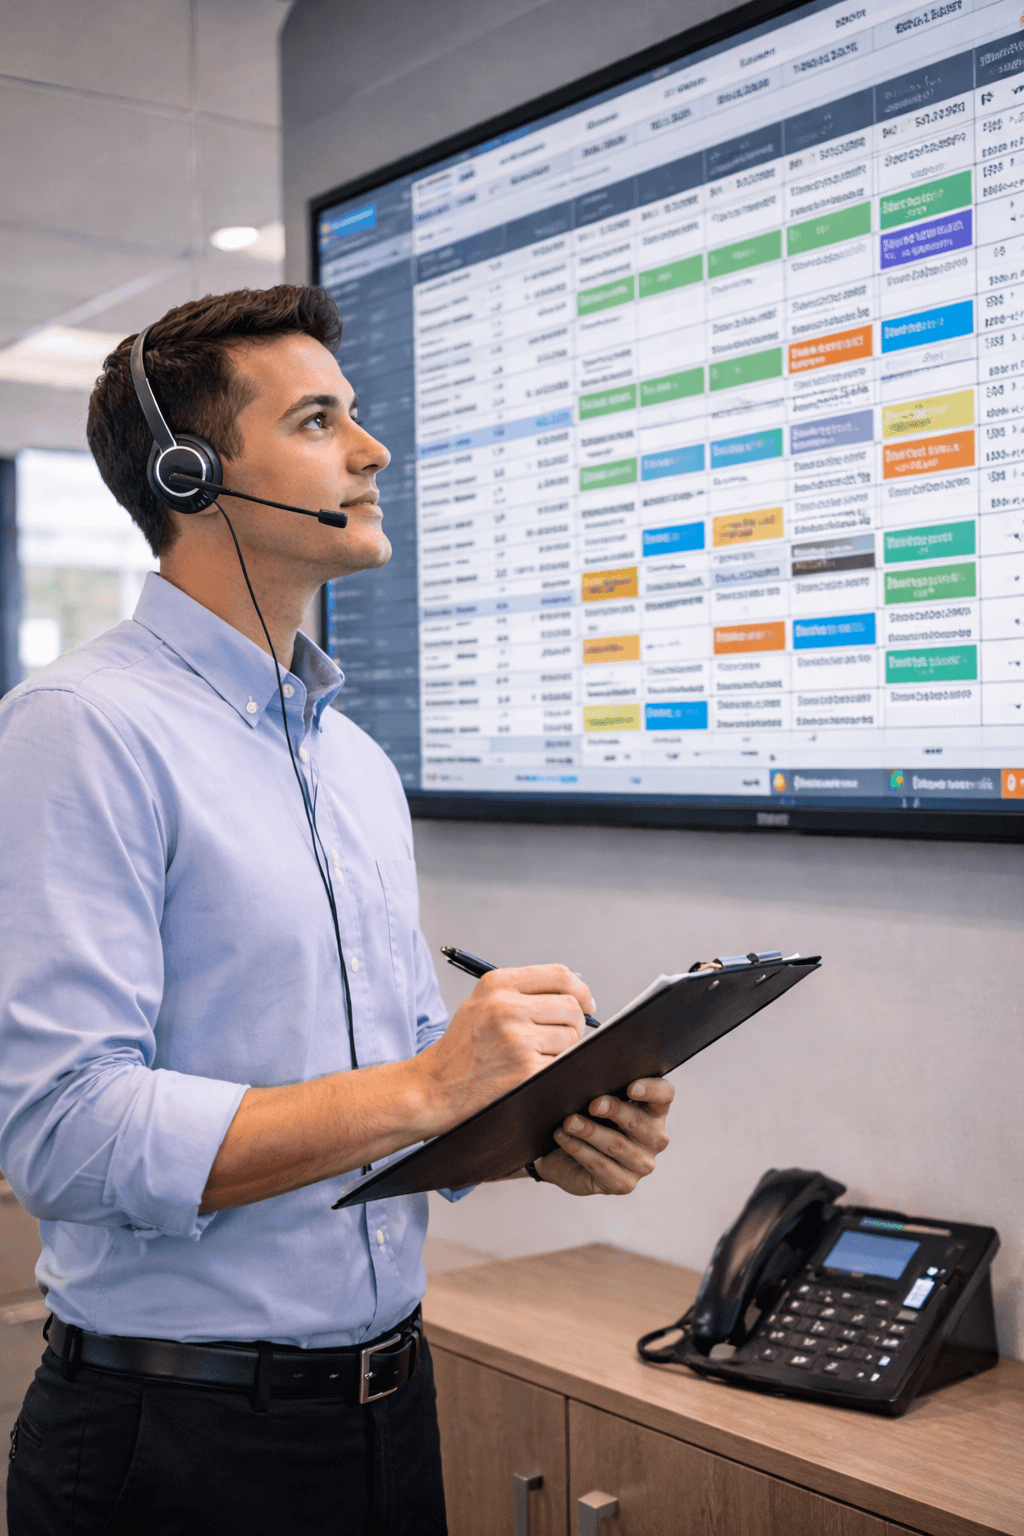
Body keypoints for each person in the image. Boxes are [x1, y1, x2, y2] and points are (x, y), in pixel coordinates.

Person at [0, 285, 674, 1535]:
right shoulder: (80, 730)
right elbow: (60, 1132)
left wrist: (527, 1125)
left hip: (387, 1411)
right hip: (175, 1444)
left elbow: (370, 1096)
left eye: (354, 417)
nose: (371, 451)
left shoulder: (351, 760)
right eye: (319, 422)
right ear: (192, 472)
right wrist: (425, 1086)